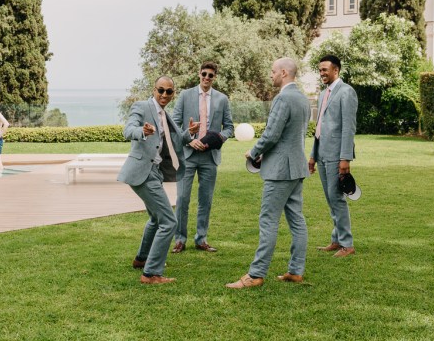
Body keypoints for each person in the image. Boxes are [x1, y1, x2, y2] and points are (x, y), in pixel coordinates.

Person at [226, 57, 310, 289]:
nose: (270, 74)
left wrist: (254, 151)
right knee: (297, 220)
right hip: (296, 168)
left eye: (273, 71)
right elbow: (290, 136)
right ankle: (296, 271)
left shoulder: (282, 98)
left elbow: (272, 134)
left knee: (268, 221)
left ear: (284, 72)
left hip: (280, 171)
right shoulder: (303, 99)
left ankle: (256, 274)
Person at [118, 76, 200, 285]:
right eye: (160, 90)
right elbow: (128, 130)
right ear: (154, 90)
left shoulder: (165, 115)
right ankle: (151, 273)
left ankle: (142, 259)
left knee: (156, 219)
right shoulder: (142, 106)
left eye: (169, 92)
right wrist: (142, 132)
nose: (164, 95)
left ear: (173, 93)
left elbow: (175, 140)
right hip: (142, 172)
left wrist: (189, 134)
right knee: (169, 221)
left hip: (155, 172)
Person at [171, 61, 234, 254]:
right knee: (182, 198)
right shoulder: (185, 95)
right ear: (199, 74)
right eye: (204, 74)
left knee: (205, 199)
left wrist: (217, 139)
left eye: (210, 75)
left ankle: (201, 239)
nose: (206, 78)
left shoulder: (222, 99)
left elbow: (229, 127)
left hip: (210, 157)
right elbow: (174, 124)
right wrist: (189, 140)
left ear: (214, 77)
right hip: (188, 155)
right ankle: (180, 239)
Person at [308, 55, 358, 258]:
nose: (321, 73)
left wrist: (345, 158)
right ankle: (337, 240)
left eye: (325, 70)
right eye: (319, 70)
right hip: (322, 154)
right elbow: (319, 127)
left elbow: (348, 127)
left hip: (337, 156)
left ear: (335, 70)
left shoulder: (347, 92)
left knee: (337, 199)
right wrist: (313, 155)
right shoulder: (322, 94)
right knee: (331, 199)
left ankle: (347, 244)